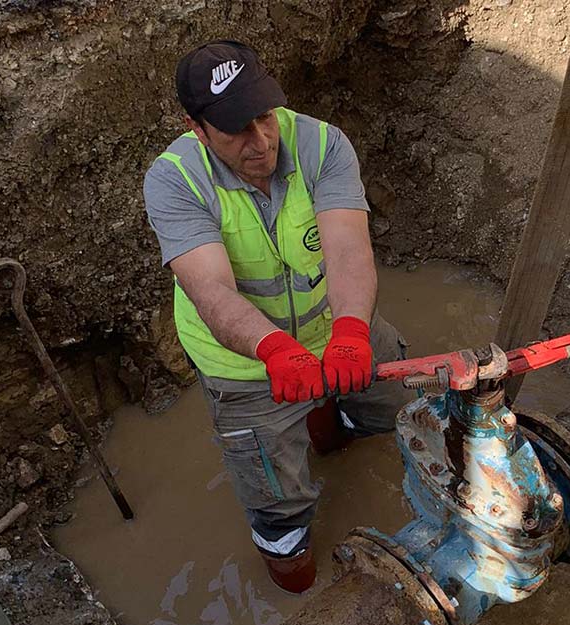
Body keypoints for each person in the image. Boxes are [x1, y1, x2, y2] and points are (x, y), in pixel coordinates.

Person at [142, 40, 411, 594]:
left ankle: (339, 431)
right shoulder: (175, 181)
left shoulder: (321, 144)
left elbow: (347, 252)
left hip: (335, 329)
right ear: (197, 127)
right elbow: (210, 291)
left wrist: (352, 333)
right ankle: (296, 585)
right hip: (246, 365)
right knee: (279, 504)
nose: (261, 141)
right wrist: (274, 351)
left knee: (399, 413)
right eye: (236, 130)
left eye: (264, 116)